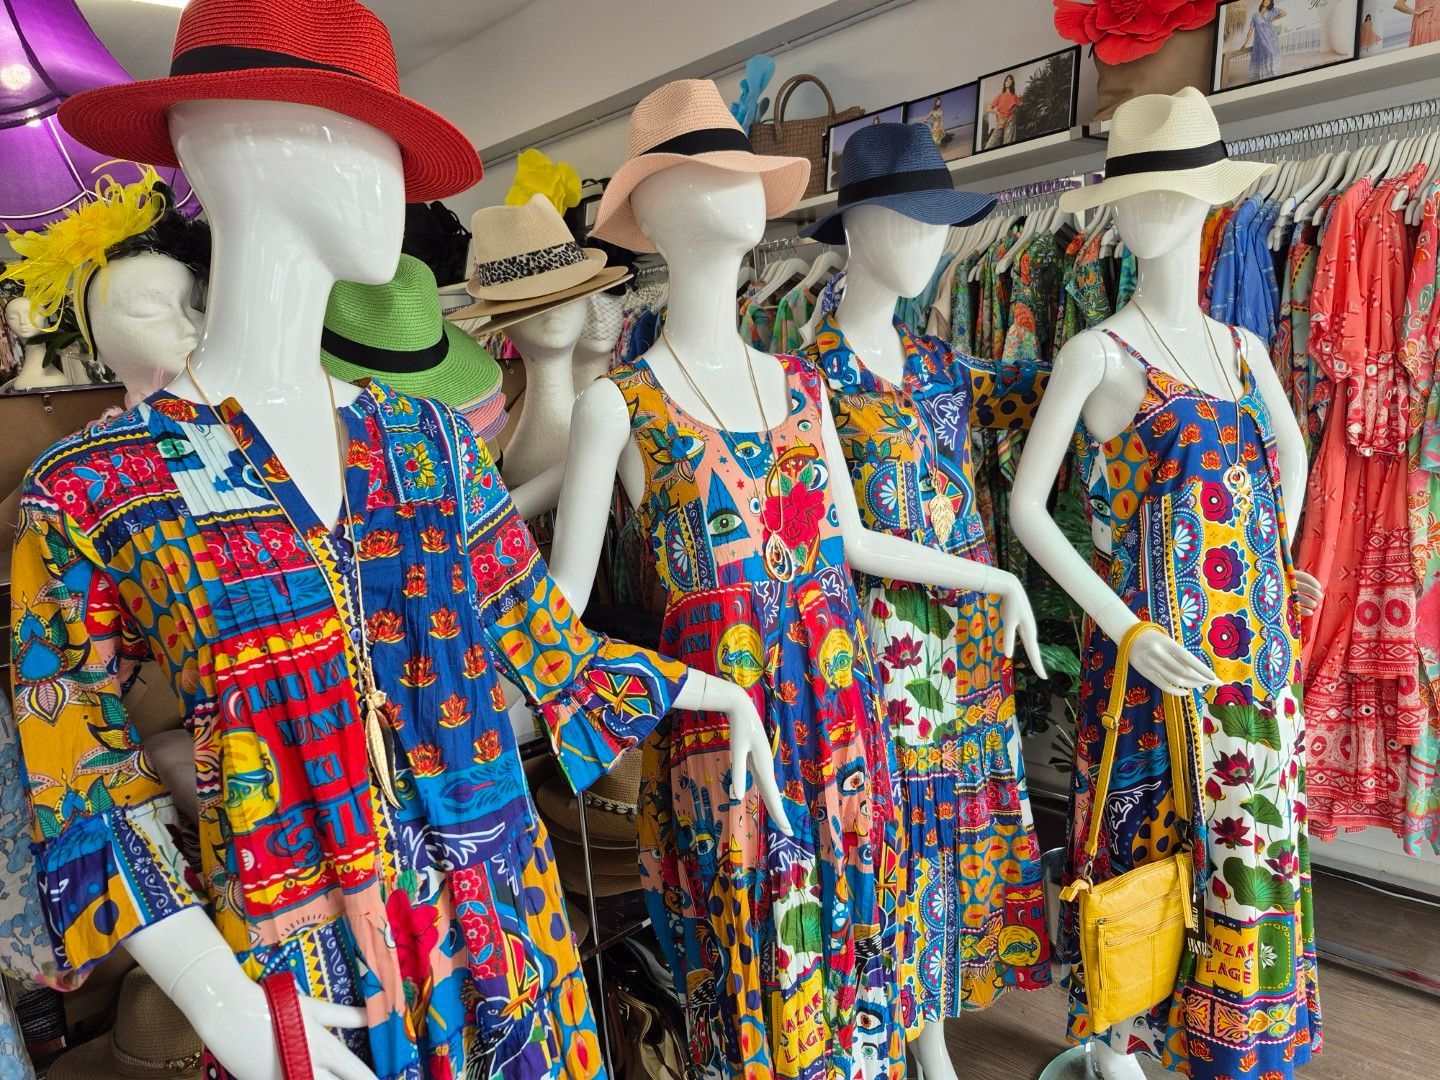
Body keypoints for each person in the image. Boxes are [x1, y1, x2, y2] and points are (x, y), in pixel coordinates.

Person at [1242, 0, 1283, 81]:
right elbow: (1250, 31)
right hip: (1260, 39)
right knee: (1265, 53)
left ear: (1270, 3)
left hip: (1270, 36)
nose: (1266, 1)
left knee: (1270, 52)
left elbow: (1284, 13)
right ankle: (1265, 74)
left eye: (1268, 1)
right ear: (1263, 1)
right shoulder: (1255, 16)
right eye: (1265, 0)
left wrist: (1274, 18)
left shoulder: (1272, 11)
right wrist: (1245, 43)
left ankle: (1271, 72)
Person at [984, 74, 1021, 149]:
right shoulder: (1000, 95)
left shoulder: (1015, 96)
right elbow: (988, 109)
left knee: (1008, 144)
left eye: (1010, 79)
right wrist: (997, 113)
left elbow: (1020, 104)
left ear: (1012, 83)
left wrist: (1019, 99)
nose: (1009, 81)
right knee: (990, 145)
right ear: (1004, 83)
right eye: (1007, 80)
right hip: (1001, 121)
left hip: (1011, 122)